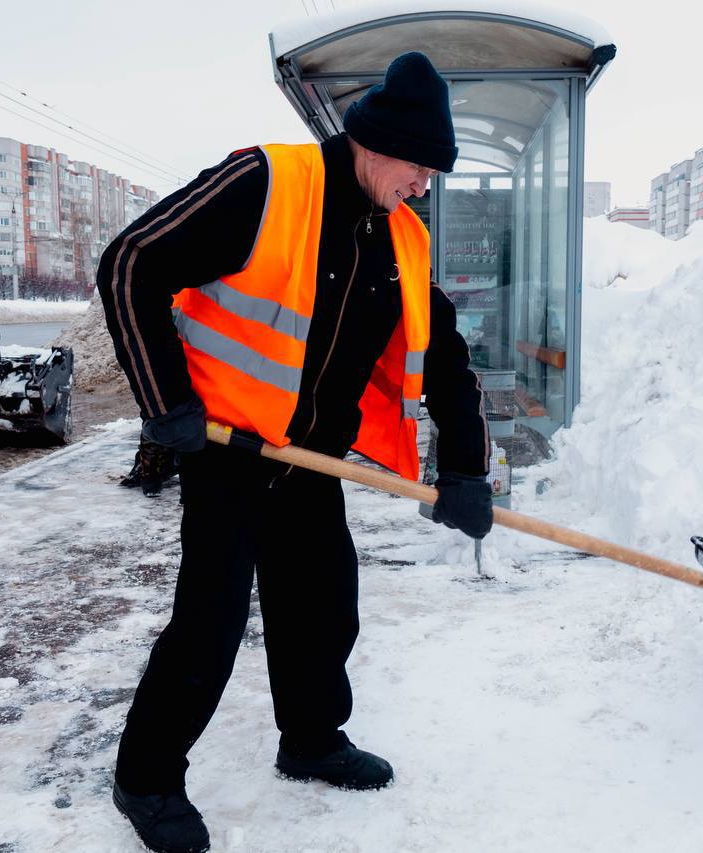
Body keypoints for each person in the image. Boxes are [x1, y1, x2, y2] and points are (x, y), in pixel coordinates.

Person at [97, 51, 492, 853]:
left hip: (311, 459)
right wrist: (164, 401)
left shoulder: (400, 241)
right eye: (421, 167)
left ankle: (309, 739)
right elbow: (130, 262)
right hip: (229, 448)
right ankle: (145, 775)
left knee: (322, 601)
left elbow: (446, 357)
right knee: (208, 622)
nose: (426, 185)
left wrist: (465, 469)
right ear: (377, 145)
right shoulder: (267, 184)